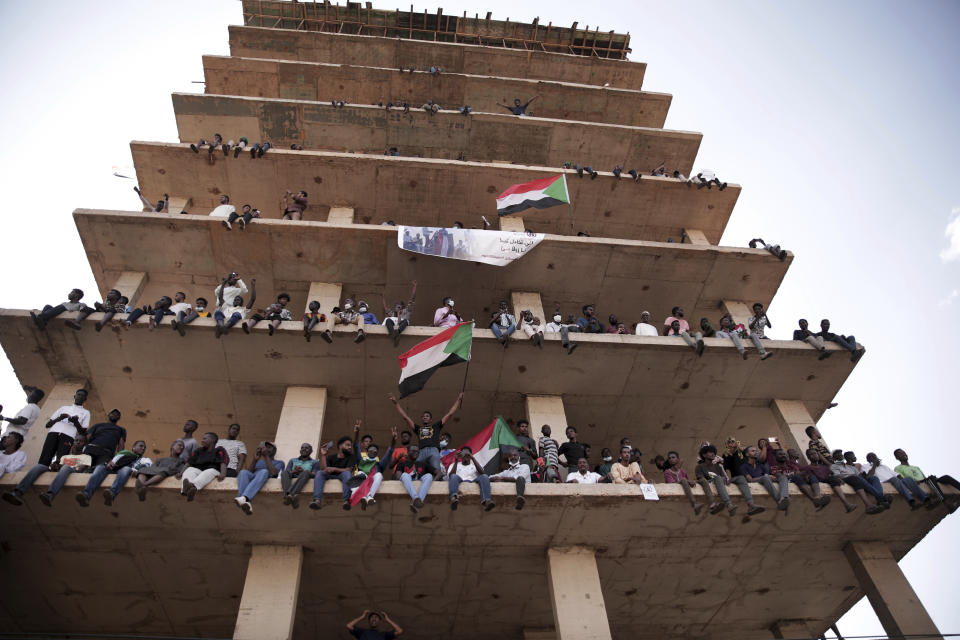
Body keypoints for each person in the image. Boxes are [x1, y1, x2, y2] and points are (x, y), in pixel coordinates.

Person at [389, 392, 463, 477]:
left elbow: (449, 414)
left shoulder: (436, 426)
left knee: (437, 472)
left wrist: (458, 400)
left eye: (427, 416)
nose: (425, 417)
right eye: (423, 416)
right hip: (421, 452)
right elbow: (405, 417)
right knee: (416, 472)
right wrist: (396, 403)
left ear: (430, 419)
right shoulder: (418, 429)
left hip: (433, 450)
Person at [3, 434, 89, 506]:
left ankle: (50, 495)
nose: (77, 442)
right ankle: (18, 493)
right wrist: (55, 466)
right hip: (60, 473)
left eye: (80, 441)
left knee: (66, 467)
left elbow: (79, 470)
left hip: (70, 472)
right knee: (40, 466)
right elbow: (55, 469)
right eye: (76, 440)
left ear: (85, 444)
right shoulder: (65, 457)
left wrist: (65, 466)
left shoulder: (86, 457)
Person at [77, 439, 151, 507]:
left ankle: (112, 494)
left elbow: (148, 468)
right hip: (114, 470)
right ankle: (86, 495)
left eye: (144, 447)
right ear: (133, 447)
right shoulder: (124, 453)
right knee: (101, 467)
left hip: (128, 472)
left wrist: (138, 471)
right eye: (141, 446)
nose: (143, 448)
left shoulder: (145, 459)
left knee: (125, 469)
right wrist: (110, 464)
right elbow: (113, 461)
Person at [893, 448, 959, 510]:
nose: (904, 454)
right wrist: (914, 482)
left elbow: (924, 478)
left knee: (946, 477)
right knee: (930, 479)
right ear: (897, 458)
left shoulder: (916, 467)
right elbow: (902, 479)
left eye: (904, 452)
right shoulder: (898, 468)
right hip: (917, 483)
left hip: (927, 480)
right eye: (900, 453)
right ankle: (945, 502)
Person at [38, 388, 90, 466]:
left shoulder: (86, 412)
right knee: (45, 456)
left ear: (85, 399)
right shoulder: (63, 408)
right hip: (53, 433)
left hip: (68, 436)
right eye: (78, 395)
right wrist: (60, 418)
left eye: (83, 396)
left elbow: (82, 431)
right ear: (74, 396)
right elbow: (48, 425)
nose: (80, 397)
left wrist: (75, 422)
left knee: (60, 459)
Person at [864, 452, 929, 509]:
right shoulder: (866, 466)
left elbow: (896, 474)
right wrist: (874, 465)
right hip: (883, 483)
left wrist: (904, 481)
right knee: (894, 479)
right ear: (868, 460)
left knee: (908, 479)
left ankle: (925, 499)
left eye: (875, 456)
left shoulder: (884, 466)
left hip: (895, 481)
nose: (874, 458)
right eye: (871, 457)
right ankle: (911, 502)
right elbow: (869, 476)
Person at [234, 441, 284, 515]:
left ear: (274, 450)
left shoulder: (280, 462)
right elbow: (249, 473)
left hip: (263, 478)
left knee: (264, 471)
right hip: (254, 477)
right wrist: (255, 459)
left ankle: (244, 498)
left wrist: (266, 456)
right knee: (243, 472)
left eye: (269, 448)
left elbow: (274, 473)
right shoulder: (259, 461)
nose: (266, 449)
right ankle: (244, 500)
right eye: (265, 447)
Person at [178, 432, 229, 501]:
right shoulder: (198, 450)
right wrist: (181, 473)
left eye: (205, 438)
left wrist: (223, 474)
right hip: (199, 470)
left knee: (209, 471)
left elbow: (223, 462)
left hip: (213, 470)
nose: (202, 440)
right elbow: (188, 463)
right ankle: (187, 489)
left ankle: (193, 487)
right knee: (190, 469)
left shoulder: (219, 450)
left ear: (212, 440)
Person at [803, 448, 857, 513]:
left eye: (815, 453)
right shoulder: (807, 468)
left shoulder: (824, 467)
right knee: (814, 477)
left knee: (833, 479)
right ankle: (818, 498)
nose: (814, 455)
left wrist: (838, 478)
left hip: (827, 480)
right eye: (811, 454)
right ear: (808, 457)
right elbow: (808, 478)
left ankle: (846, 504)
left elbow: (832, 471)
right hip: (817, 481)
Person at [353, 433, 397, 510]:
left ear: (377, 453)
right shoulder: (361, 461)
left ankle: (369, 497)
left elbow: (389, 451)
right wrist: (357, 432)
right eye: (371, 449)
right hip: (361, 482)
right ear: (367, 451)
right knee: (360, 473)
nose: (373, 451)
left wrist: (393, 439)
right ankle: (364, 497)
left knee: (379, 475)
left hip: (372, 481)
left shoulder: (379, 464)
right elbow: (356, 447)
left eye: (375, 450)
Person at [311, 437, 357, 510]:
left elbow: (349, 469)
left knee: (347, 473)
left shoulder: (351, 456)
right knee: (320, 473)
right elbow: (323, 469)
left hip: (343, 476)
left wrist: (334, 469)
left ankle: (346, 501)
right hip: (330, 475)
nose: (350, 447)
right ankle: (317, 500)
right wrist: (323, 455)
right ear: (340, 446)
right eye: (347, 445)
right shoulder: (331, 457)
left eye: (350, 445)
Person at [694, 444, 740, 516]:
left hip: (719, 483)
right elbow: (701, 479)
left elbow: (724, 478)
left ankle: (729, 506)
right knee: (718, 478)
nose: (713, 454)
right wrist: (716, 478)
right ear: (704, 455)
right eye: (710, 452)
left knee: (720, 478)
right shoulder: (699, 467)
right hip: (708, 484)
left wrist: (722, 478)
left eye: (714, 452)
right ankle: (728, 504)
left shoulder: (718, 466)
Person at [736, 445, 787, 510]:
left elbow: (767, 475)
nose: (756, 452)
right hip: (753, 484)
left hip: (766, 481)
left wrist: (773, 478)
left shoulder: (761, 465)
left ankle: (784, 497)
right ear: (747, 454)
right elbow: (750, 480)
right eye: (753, 451)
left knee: (782, 477)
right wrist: (766, 477)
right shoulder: (743, 466)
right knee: (765, 478)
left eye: (756, 451)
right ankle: (779, 501)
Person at [447, 446, 495, 511]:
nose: (465, 455)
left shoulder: (474, 464)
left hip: (473, 481)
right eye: (464, 453)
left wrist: (472, 458)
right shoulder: (454, 464)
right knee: (453, 476)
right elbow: (451, 476)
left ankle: (487, 501)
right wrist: (456, 460)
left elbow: (483, 473)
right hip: (460, 481)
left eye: (468, 454)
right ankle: (453, 499)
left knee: (485, 477)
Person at [280, 442, 319, 509]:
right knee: (284, 472)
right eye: (302, 448)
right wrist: (295, 471)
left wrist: (302, 471)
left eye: (306, 448)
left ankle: (289, 495)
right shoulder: (292, 460)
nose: (304, 449)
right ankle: (290, 497)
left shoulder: (315, 462)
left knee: (306, 472)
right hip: (293, 476)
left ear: (311, 451)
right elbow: (288, 472)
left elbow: (315, 474)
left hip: (304, 477)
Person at [381, 280, 417, 346]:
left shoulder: (406, 311)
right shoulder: (392, 314)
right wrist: (383, 297)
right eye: (397, 305)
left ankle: (397, 332)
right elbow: (385, 308)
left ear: (403, 306)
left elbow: (412, 300)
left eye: (400, 305)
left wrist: (415, 287)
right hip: (394, 324)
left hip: (401, 324)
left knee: (406, 321)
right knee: (388, 320)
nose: (398, 306)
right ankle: (394, 336)